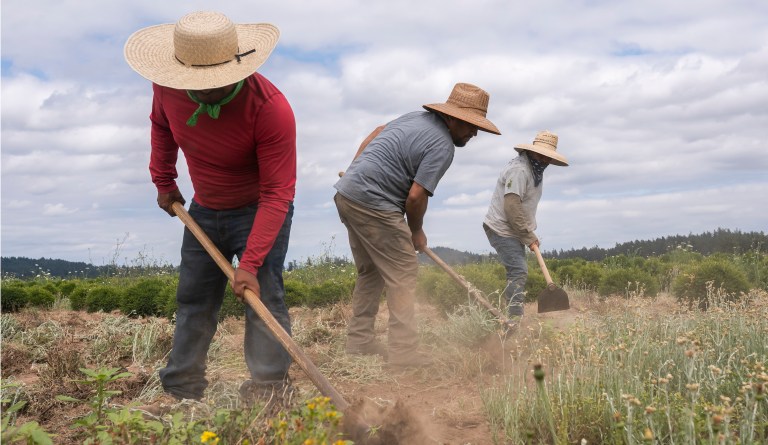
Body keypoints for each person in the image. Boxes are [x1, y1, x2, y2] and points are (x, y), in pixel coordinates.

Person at [124, 11, 296, 409]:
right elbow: (161, 126)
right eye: (195, 84)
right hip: (203, 209)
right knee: (194, 299)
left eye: (213, 85)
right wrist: (163, 181)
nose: (202, 92)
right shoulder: (167, 87)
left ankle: (270, 391)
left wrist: (250, 264)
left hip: (259, 211)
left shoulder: (270, 109)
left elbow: (277, 194)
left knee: (264, 298)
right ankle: (182, 389)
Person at [334, 83, 500, 367]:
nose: (474, 134)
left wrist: (354, 169)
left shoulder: (413, 118)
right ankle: (403, 354)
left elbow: (376, 131)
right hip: (374, 204)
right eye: (471, 127)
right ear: (453, 118)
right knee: (404, 273)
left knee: (370, 272)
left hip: (347, 195)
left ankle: (359, 343)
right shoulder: (443, 146)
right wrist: (416, 231)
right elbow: (415, 196)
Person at [482, 130, 568, 320]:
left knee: (517, 270)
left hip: (516, 229)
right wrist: (527, 234)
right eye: (541, 155)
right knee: (518, 270)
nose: (544, 161)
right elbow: (512, 206)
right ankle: (513, 320)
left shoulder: (535, 168)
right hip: (502, 228)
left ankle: (512, 315)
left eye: (547, 158)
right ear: (532, 151)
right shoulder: (520, 170)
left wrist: (528, 232)